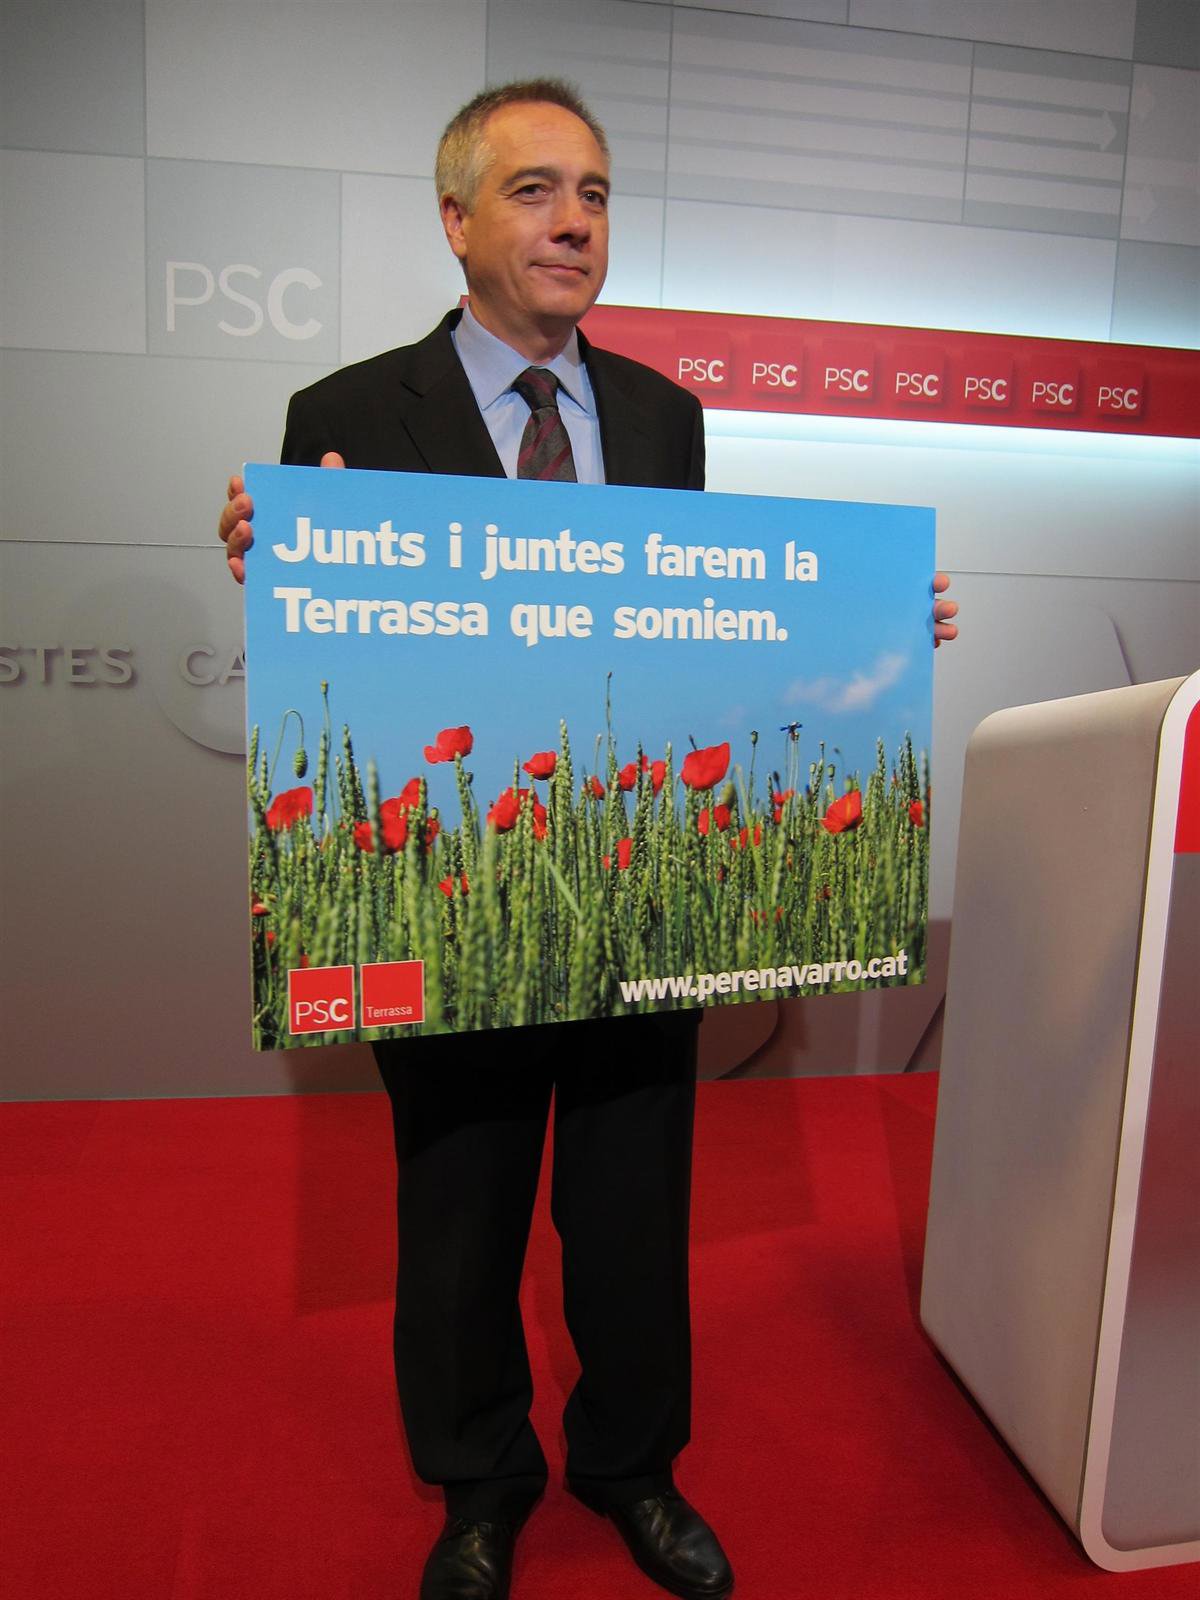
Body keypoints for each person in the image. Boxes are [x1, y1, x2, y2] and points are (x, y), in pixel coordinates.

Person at [219, 79, 958, 1600]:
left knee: (633, 1215)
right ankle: (480, 1485)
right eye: (536, 190)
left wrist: (869, 627)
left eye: (597, 194)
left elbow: (685, 635)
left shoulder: (667, 416)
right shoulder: (346, 415)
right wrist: (273, 560)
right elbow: (351, 645)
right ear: (455, 221)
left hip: (630, 892)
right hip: (462, 893)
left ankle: (633, 1469)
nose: (574, 222)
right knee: (461, 1210)